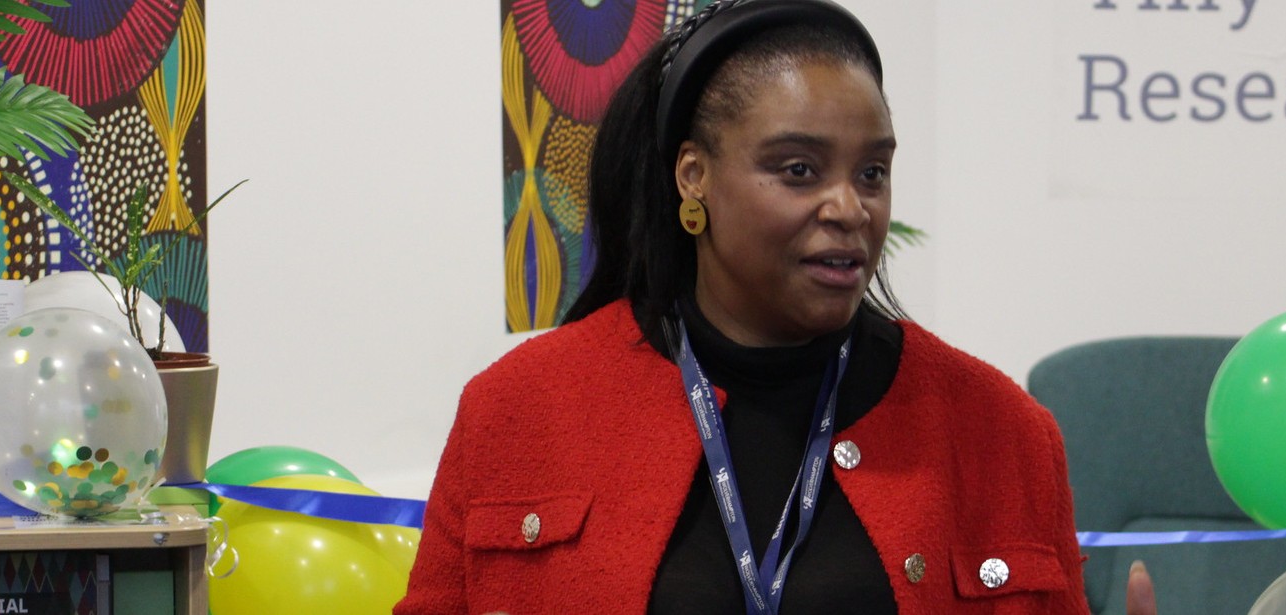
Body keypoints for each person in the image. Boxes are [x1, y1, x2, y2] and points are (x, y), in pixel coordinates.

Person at [397, 1, 1156, 613]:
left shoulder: (1000, 428)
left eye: (872, 171)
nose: (849, 206)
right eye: (798, 169)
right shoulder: (519, 407)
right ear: (694, 177)